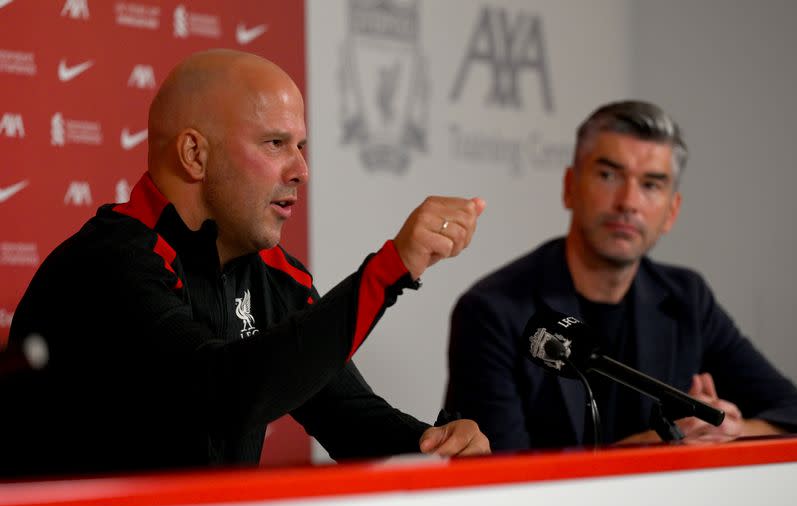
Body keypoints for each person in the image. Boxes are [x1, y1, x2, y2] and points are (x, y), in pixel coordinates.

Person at [1, 49, 489, 477]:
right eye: (275, 144)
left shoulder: (273, 274)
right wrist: (389, 270)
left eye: (301, 147)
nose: (301, 171)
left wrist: (439, 446)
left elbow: (352, 419)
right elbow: (221, 393)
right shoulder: (107, 265)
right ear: (194, 154)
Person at [445, 100, 797, 450]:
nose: (628, 202)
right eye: (608, 175)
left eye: (651, 184)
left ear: (672, 211)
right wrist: (662, 442)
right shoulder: (493, 310)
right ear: (569, 187)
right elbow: (499, 479)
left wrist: (729, 430)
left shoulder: (687, 299)